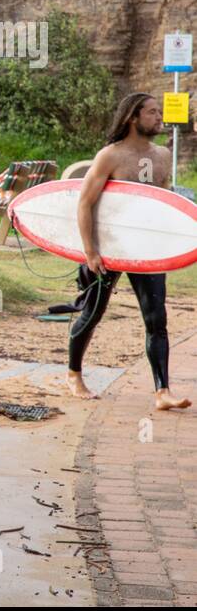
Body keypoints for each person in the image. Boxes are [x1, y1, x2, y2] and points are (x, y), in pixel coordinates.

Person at [65, 92, 191, 409]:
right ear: (132, 117)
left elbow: (162, 204)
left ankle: (162, 392)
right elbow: (85, 203)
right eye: (151, 112)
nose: (159, 117)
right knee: (93, 313)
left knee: (156, 319)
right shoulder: (110, 156)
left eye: (159, 112)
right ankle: (74, 374)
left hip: (145, 250)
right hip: (108, 247)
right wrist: (90, 252)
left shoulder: (162, 155)